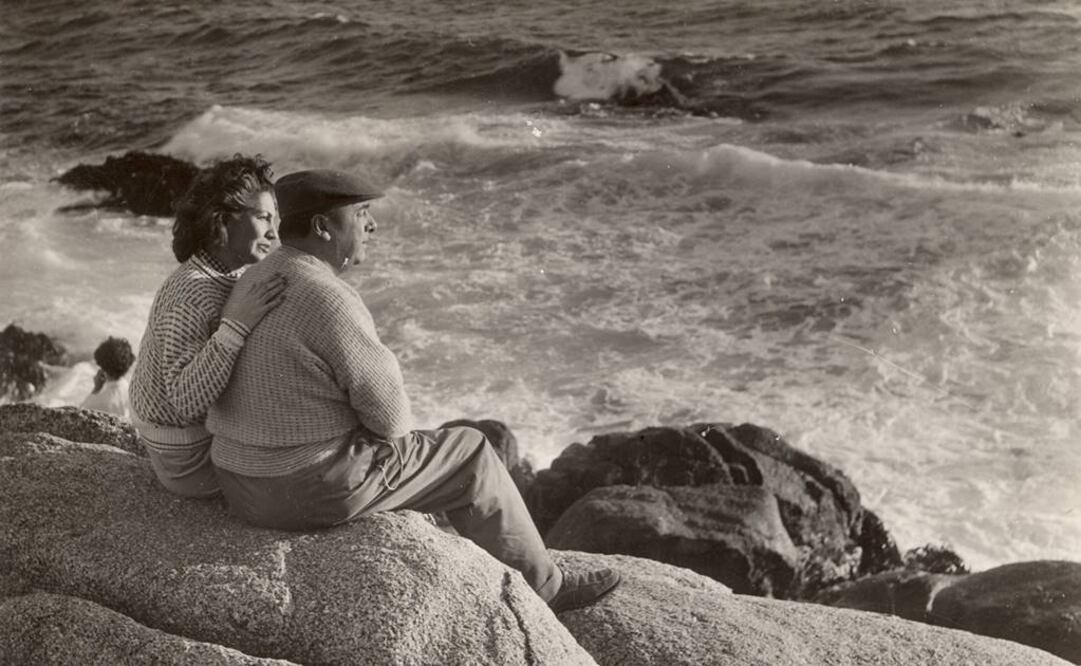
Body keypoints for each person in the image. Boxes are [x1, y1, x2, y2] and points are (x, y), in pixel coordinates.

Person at [207, 169, 621, 613]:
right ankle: (547, 588)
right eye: (361, 213)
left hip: (237, 480)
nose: (372, 226)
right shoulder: (328, 296)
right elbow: (392, 422)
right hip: (297, 492)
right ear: (323, 228)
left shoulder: (256, 277)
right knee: (472, 452)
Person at [129, 154, 286, 499]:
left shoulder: (225, 273)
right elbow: (186, 399)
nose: (274, 232)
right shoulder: (194, 293)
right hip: (187, 460)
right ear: (221, 222)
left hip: (194, 442)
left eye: (275, 218)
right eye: (263, 218)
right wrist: (237, 325)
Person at [81, 336, 134, 420]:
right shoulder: (129, 389)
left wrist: (95, 390)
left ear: (101, 365)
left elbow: (80, 414)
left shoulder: (97, 402)